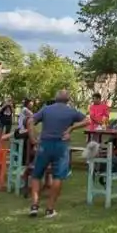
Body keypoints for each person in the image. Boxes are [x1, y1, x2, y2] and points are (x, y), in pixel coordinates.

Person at [26, 89, 90, 218]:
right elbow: (87, 121)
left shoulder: (46, 109)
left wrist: (33, 138)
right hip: (61, 145)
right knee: (58, 176)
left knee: (36, 175)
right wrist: (71, 128)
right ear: (68, 100)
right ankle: (50, 209)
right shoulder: (71, 111)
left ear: (55, 98)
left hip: (44, 145)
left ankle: (34, 206)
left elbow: (30, 121)